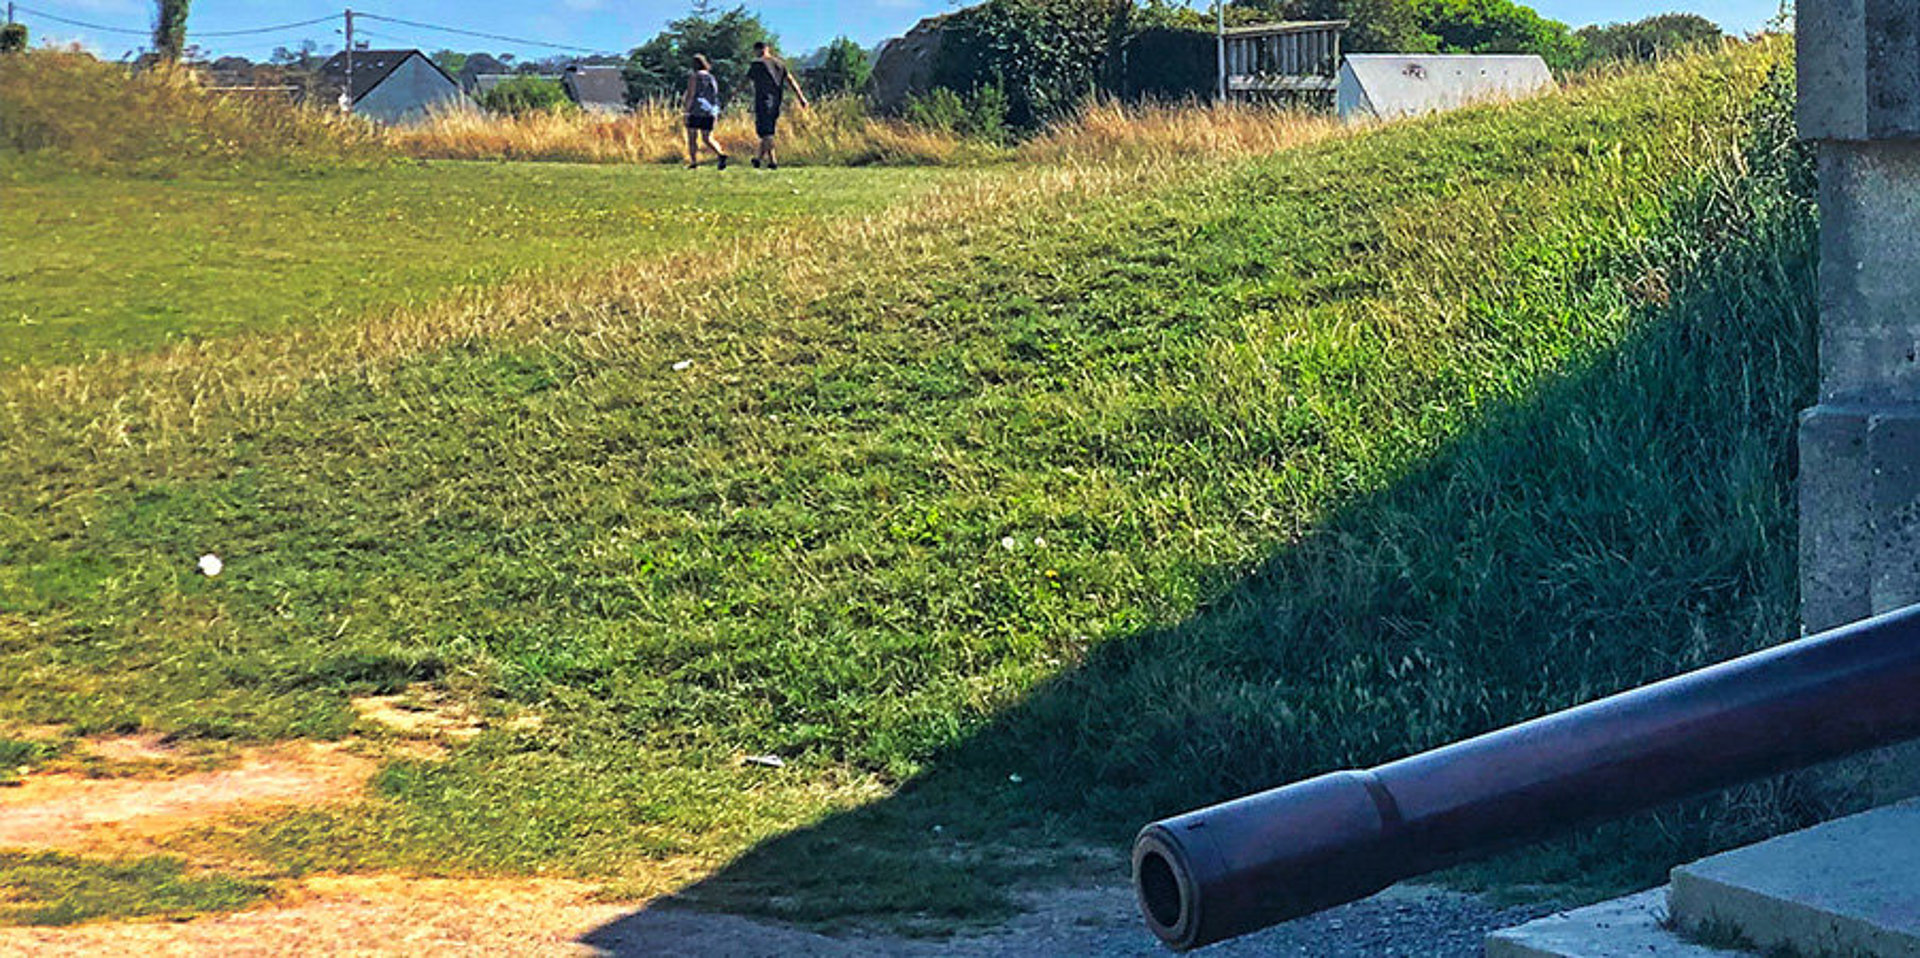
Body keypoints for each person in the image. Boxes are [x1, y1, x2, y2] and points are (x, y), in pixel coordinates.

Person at [745, 41, 808, 169]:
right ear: (768, 49)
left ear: (757, 50)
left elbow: (745, 81)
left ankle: (773, 161)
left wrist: (734, 93)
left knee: (766, 132)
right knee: (767, 130)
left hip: (763, 100)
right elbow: (791, 81)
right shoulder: (780, 64)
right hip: (777, 101)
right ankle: (758, 159)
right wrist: (801, 98)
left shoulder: (757, 64)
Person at [683, 54, 729, 170]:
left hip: (696, 110)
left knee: (692, 137)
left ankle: (694, 162)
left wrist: (686, 111)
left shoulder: (695, 77)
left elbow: (691, 94)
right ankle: (720, 154)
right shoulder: (711, 77)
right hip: (710, 110)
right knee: (707, 137)